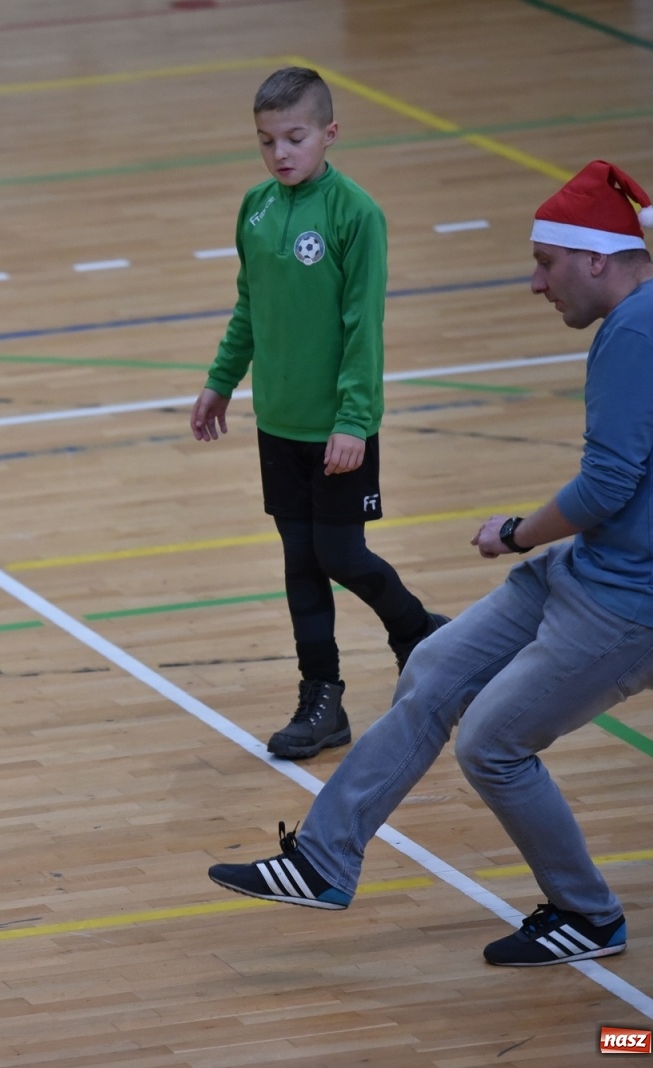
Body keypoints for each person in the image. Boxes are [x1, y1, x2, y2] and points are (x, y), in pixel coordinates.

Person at [206, 160, 653, 966]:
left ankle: (589, 915)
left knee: (493, 745)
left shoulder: (634, 333)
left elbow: (607, 485)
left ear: (596, 258)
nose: (537, 284)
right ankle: (323, 861)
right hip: (590, 573)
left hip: (638, 608)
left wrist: (516, 532)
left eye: (546, 263)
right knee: (433, 667)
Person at [190, 66, 445, 760]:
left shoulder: (356, 214)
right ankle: (322, 698)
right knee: (300, 560)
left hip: (338, 429)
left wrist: (353, 421)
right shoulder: (255, 208)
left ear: (330, 133)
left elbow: (364, 328)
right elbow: (249, 306)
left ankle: (420, 633)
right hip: (278, 423)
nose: (280, 153)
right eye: (266, 140)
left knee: (341, 554)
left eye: (295, 138)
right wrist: (220, 381)